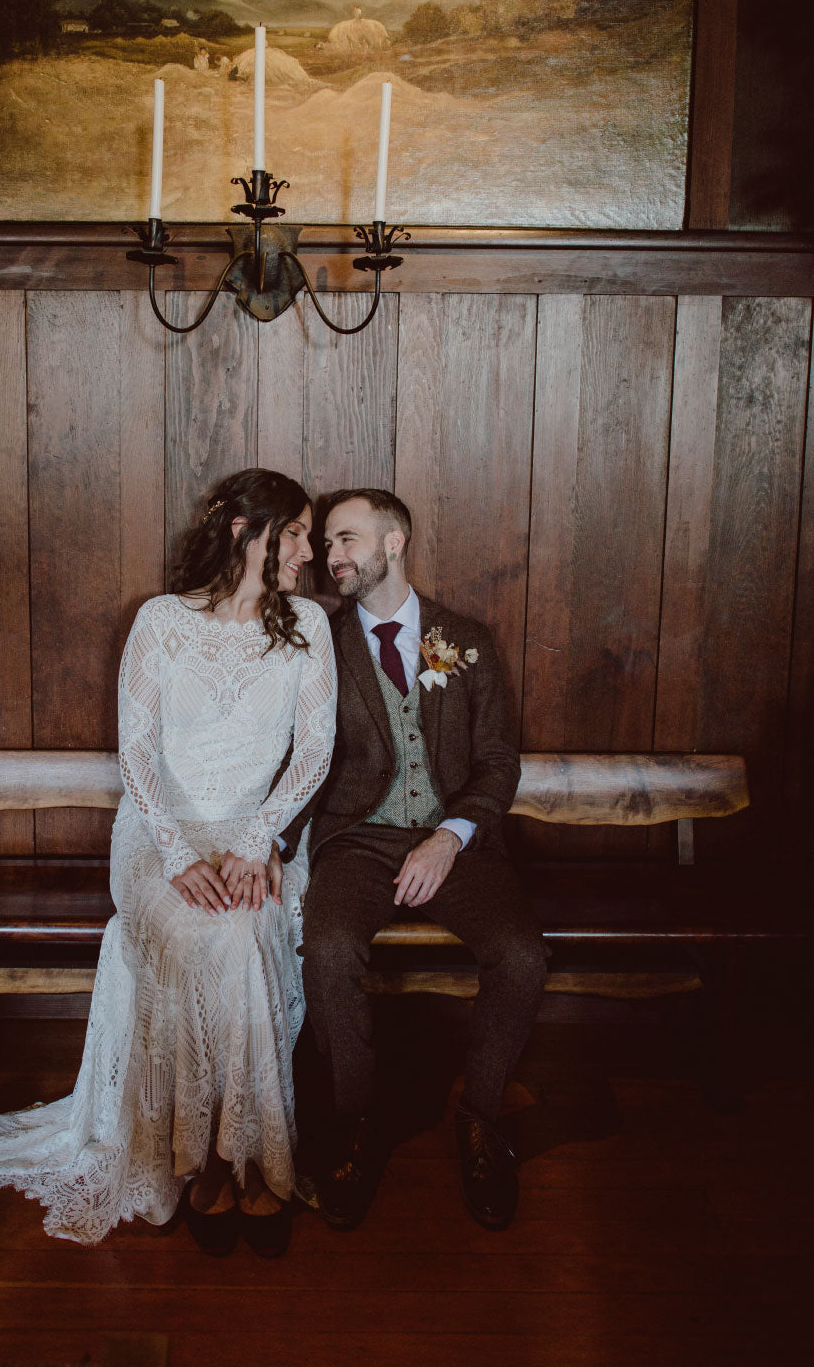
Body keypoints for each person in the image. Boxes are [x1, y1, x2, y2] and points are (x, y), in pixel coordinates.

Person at [0, 469, 337, 1258]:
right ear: (239, 529)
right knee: (204, 934)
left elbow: (316, 750)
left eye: (309, 535)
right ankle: (197, 1166)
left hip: (255, 834)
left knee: (244, 932)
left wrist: (259, 841)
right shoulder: (160, 623)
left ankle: (244, 1159)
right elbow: (138, 755)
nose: (307, 549)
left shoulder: (308, 627)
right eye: (292, 532)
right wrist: (180, 852)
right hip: (158, 838)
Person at [283, 488, 547, 1232]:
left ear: (394, 542)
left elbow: (497, 761)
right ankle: (357, 1120)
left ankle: (481, 1120)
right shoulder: (317, 642)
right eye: (328, 543)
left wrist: (451, 834)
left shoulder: (465, 639)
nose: (332, 557)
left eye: (347, 540)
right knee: (328, 949)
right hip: (357, 842)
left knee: (523, 955)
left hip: (454, 842)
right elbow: (295, 754)